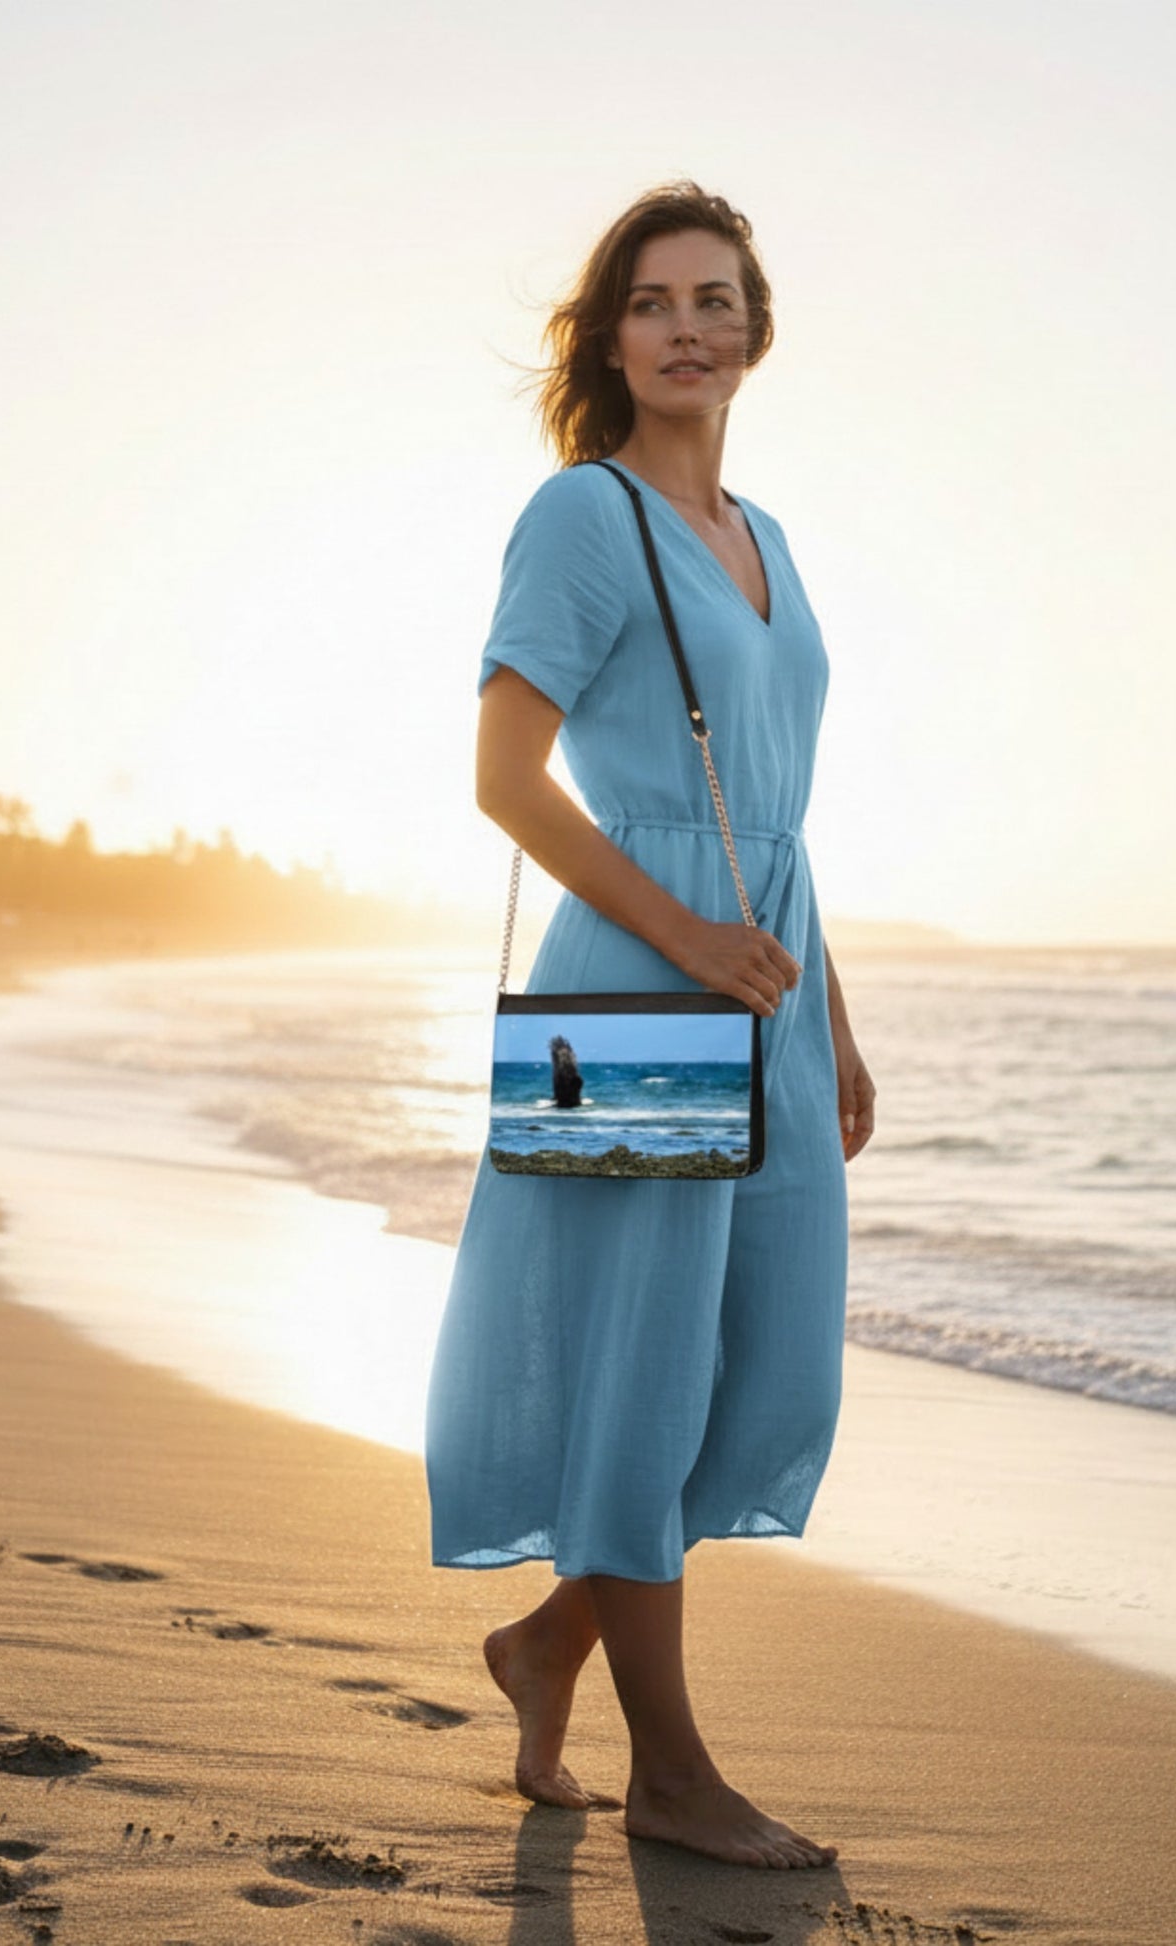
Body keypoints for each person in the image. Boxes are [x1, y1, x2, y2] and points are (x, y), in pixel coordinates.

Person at [423, 182, 876, 1872]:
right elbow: (498, 776)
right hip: (626, 979)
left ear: (756, 324)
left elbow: (777, 811)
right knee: (637, 1374)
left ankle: (548, 1640)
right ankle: (669, 1771)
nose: (691, 324)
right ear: (607, 337)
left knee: (755, 1372)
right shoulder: (580, 516)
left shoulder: (775, 536)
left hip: (764, 976)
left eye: (719, 296)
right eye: (654, 300)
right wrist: (684, 932)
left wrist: (827, 1005)